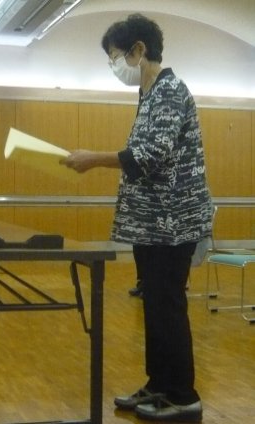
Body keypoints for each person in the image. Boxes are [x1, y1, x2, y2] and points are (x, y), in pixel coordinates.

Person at [60, 13, 212, 423]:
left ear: (139, 50)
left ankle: (183, 396)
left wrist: (94, 158)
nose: (114, 66)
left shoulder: (170, 91)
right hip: (153, 225)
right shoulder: (149, 94)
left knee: (168, 306)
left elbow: (151, 155)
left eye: (115, 57)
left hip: (172, 223)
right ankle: (159, 384)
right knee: (155, 307)